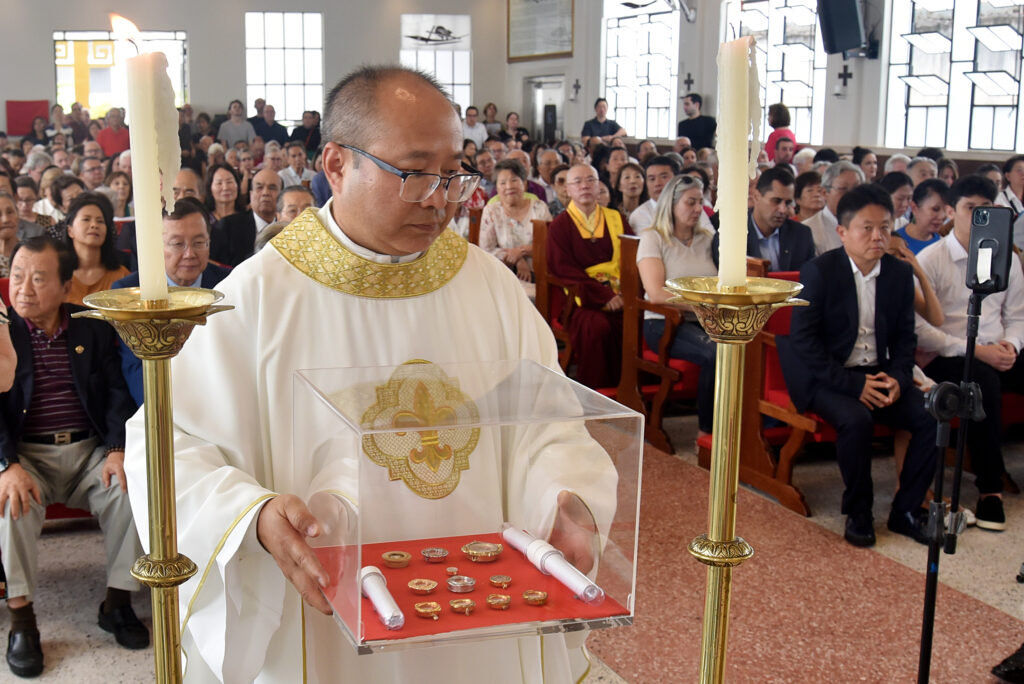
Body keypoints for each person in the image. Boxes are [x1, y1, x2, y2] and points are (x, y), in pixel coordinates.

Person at [122, 64, 614, 683]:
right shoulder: (258, 296)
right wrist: (254, 516)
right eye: (413, 174)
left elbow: (549, 425)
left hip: (479, 608)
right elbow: (169, 446)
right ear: (335, 165)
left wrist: (564, 496)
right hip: (331, 616)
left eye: (453, 174)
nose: (439, 197)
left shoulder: (488, 287)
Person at [0, 236, 146, 678]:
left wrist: (118, 450)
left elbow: (117, 393)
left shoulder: (91, 327)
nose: (23, 288)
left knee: (128, 489)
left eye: (39, 278)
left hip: (88, 452)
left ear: (66, 286)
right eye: (18, 276)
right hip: (28, 456)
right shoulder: (3, 331)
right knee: (12, 503)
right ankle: (22, 621)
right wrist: (7, 464)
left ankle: (117, 604)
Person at [779, 185, 935, 548]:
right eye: (867, 227)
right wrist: (853, 386)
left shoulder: (897, 274)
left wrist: (898, 378)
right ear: (843, 232)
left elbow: (905, 338)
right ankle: (859, 511)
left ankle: (906, 511)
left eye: (885, 227)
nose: (878, 236)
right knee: (856, 419)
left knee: (929, 415)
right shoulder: (819, 272)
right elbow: (804, 342)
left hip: (877, 372)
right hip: (826, 377)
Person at [916, 175, 1024, 532]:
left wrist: (1012, 345)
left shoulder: (1005, 255)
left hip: (998, 347)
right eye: (970, 209)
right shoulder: (933, 258)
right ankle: (990, 489)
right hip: (949, 352)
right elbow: (922, 329)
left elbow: (1017, 315)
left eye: (987, 209)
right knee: (983, 384)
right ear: (951, 211)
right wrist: (977, 351)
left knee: (996, 370)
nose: (979, 217)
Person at [113, 199, 230, 405]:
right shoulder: (129, 294)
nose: (190, 254)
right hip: (157, 405)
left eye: (199, 242)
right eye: (178, 244)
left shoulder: (230, 285)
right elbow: (135, 370)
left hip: (221, 406)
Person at [636, 175, 718, 437]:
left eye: (700, 202)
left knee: (744, 347)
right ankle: (707, 433)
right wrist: (699, 305)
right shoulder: (654, 237)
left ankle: (739, 428)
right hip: (664, 322)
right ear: (671, 205)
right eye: (690, 202)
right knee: (717, 352)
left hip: (705, 319)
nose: (698, 209)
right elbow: (656, 294)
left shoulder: (707, 238)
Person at [547, 163, 632, 389]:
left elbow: (633, 260)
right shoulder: (560, 226)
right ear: (567, 189)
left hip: (620, 294)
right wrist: (603, 296)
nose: (584, 186)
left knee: (635, 321)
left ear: (598, 186)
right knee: (598, 327)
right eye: (577, 182)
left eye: (590, 180)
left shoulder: (617, 218)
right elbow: (562, 269)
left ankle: (629, 391)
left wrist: (623, 293)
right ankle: (598, 392)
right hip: (580, 300)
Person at [712, 166, 815, 273]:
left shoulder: (802, 235)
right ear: (756, 197)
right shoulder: (729, 235)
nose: (783, 210)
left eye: (788, 203)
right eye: (776, 201)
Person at [479, 159, 551, 281]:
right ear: (496, 187)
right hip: (502, 276)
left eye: (514, 180)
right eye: (502, 183)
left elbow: (550, 244)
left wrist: (520, 251)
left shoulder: (539, 208)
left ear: (524, 183)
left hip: (541, 276)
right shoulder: (492, 211)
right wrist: (518, 259)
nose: (509, 186)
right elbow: (486, 250)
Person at [61, 193, 130, 305]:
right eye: (86, 219)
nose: (94, 225)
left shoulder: (121, 276)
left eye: (100, 221)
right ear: (70, 231)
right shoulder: (59, 275)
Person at [211, 167, 281, 267]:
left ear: (282, 194)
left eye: (272, 188)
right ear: (251, 195)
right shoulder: (227, 227)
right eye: (259, 187)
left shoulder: (287, 230)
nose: (265, 193)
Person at [803, 160, 865, 255]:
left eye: (857, 188)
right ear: (824, 193)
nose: (852, 195)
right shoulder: (808, 230)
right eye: (843, 189)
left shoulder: (870, 226)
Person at [629, 155, 681, 234]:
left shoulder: (690, 207)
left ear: (677, 180)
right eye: (652, 179)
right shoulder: (640, 215)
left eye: (663, 177)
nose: (657, 183)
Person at [895, 178, 949, 254]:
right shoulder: (894, 243)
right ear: (914, 208)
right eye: (935, 209)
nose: (942, 216)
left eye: (946, 210)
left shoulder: (945, 245)